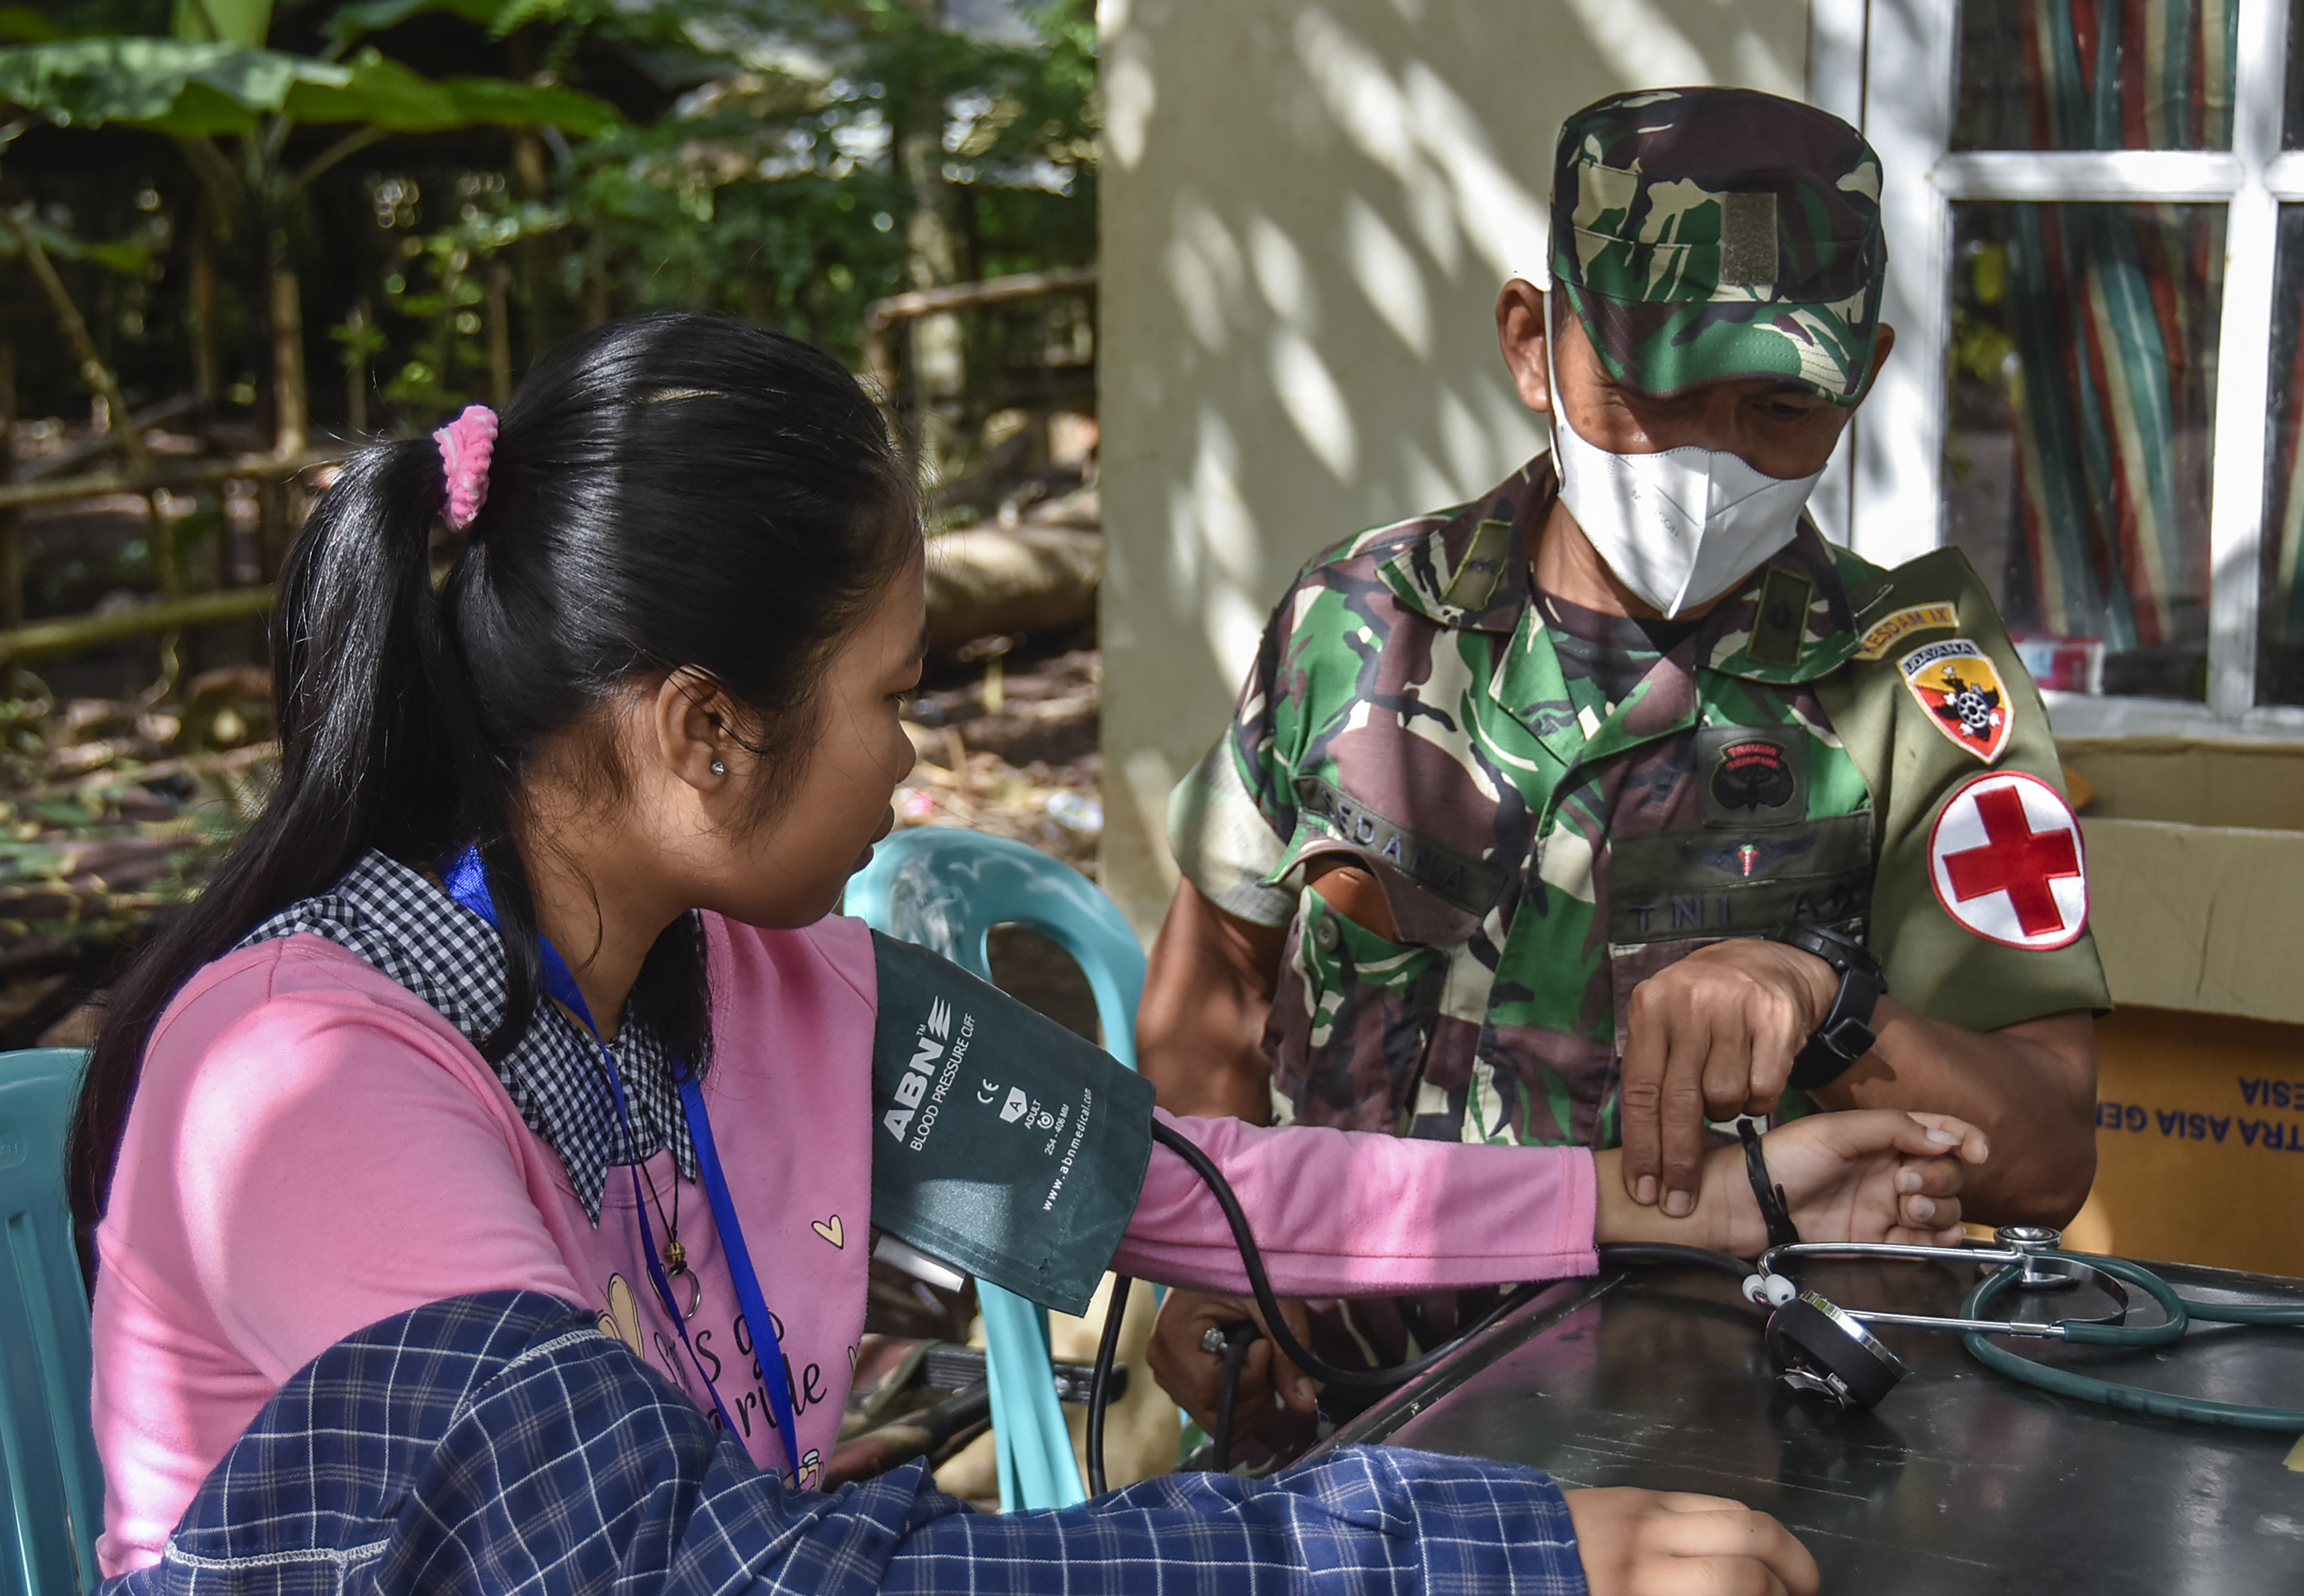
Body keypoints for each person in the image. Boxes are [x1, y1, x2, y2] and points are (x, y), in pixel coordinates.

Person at [71, 312, 1982, 1596]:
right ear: (700, 732)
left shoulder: (740, 981)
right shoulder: (313, 1086)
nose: (914, 756)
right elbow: (707, 1571)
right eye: (896, 694)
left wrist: (1680, 1207)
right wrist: (1457, 1544)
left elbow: (1180, 1181)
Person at [1140, 88, 2109, 1445]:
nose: (1707, 458)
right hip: (1340, 1440)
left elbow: (2050, 1155)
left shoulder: (1914, 693)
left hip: (1704, 1469)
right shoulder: (1360, 623)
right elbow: (1208, 1001)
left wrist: (1831, 1003)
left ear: (1862, 376)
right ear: (1533, 342)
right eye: (1653, 388)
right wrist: (1212, 1271)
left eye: (1778, 406)